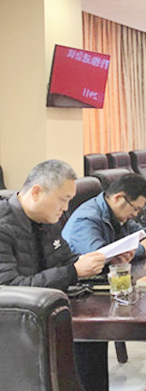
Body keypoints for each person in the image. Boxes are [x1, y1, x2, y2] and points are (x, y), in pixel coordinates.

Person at [0, 160, 109, 391]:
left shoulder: (48, 220)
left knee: (93, 338)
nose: (66, 208)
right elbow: (9, 289)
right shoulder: (3, 226)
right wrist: (73, 271)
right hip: (14, 326)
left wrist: (101, 262)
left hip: (49, 312)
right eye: (63, 199)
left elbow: (66, 259)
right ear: (36, 192)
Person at [63, 173, 146, 260]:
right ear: (118, 198)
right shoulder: (86, 219)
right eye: (135, 208)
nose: (135, 214)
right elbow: (98, 257)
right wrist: (141, 249)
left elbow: (142, 233)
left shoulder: (117, 214)